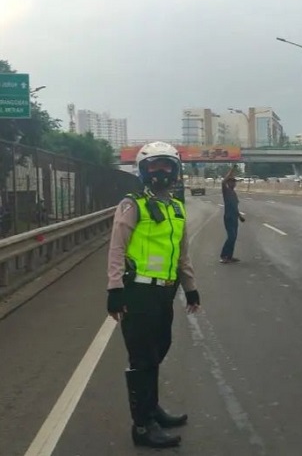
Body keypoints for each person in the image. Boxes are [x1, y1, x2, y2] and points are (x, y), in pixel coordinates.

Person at [106, 141, 201, 448]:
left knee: (159, 349)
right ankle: (143, 426)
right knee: (142, 358)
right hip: (138, 293)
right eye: (153, 166)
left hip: (164, 294)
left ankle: (152, 408)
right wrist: (115, 289)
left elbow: (181, 254)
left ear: (175, 171)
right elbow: (116, 248)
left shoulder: (176, 207)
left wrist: (190, 288)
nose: (160, 172)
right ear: (143, 171)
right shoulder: (132, 204)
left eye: (166, 166)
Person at [220, 168, 245, 263]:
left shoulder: (234, 193)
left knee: (234, 238)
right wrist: (231, 172)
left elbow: (235, 207)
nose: (234, 183)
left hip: (234, 218)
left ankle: (229, 256)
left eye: (234, 182)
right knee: (231, 237)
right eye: (232, 182)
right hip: (228, 218)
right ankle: (223, 256)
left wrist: (239, 216)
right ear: (228, 183)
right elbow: (223, 182)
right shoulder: (226, 192)